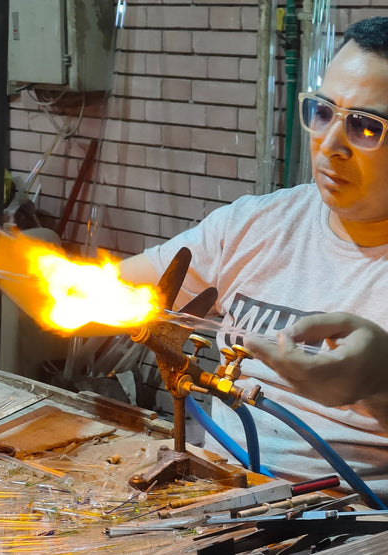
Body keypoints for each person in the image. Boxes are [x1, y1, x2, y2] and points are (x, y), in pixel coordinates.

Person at [118, 16, 388, 500]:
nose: (330, 144)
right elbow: (94, 292)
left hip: (353, 523)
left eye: (366, 126)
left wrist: (382, 386)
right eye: (323, 112)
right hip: (214, 496)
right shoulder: (257, 224)